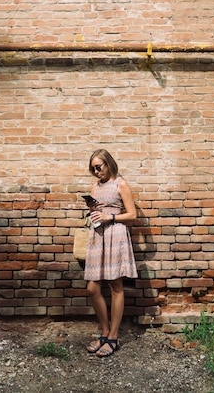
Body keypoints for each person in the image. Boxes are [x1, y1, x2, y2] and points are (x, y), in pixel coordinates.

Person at [84, 149, 138, 357]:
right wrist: (93, 212)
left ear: (108, 164)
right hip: (98, 235)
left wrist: (110, 217)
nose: (96, 172)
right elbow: (98, 210)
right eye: (93, 168)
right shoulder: (95, 186)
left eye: (99, 167)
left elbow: (132, 215)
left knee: (116, 286)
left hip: (115, 233)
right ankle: (104, 331)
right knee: (92, 288)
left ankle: (113, 337)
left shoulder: (120, 183)